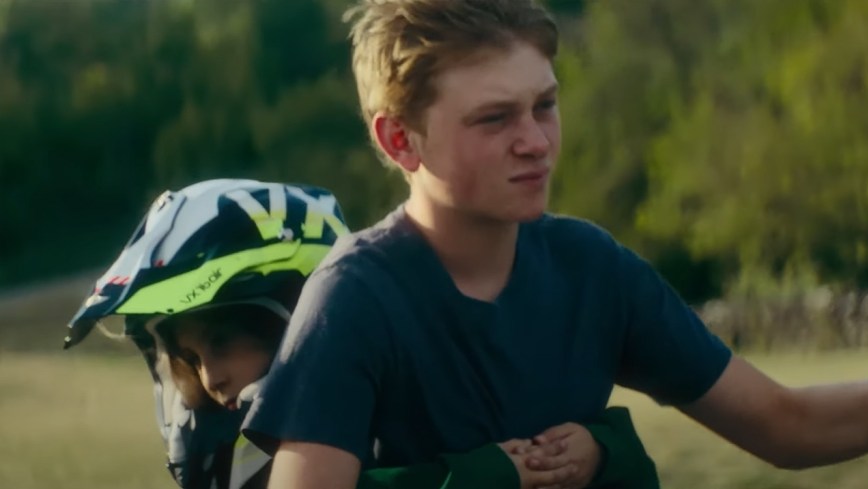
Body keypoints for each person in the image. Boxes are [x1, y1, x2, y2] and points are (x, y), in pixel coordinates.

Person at [236, 1, 868, 488]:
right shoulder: (357, 297)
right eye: (495, 118)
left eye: (545, 105)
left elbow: (785, 424)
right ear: (399, 137)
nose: (536, 141)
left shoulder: (590, 268)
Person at [64, 178, 658, 489]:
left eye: (220, 343)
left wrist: (603, 449)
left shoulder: (395, 387)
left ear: (297, 316)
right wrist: (483, 476)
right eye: (189, 359)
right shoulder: (242, 463)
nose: (208, 375)